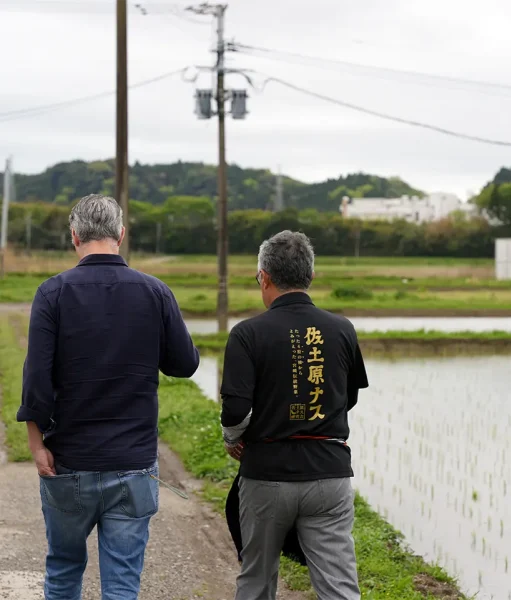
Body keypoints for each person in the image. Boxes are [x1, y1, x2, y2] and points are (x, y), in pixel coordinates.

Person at [16, 194, 200, 600]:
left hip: (68, 461)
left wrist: (35, 444)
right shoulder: (155, 291)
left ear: (73, 236)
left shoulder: (52, 293)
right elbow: (185, 364)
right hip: (133, 464)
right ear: (121, 234)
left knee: (63, 571)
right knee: (121, 583)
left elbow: (36, 378)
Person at [220, 230, 369, 600]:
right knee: (339, 586)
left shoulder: (247, 334)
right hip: (329, 474)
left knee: (256, 580)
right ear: (310, 277)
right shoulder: (342, 329)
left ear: (264, 277)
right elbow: (346, 398)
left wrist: (236, 439)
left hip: (266, 476)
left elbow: (235, 410)